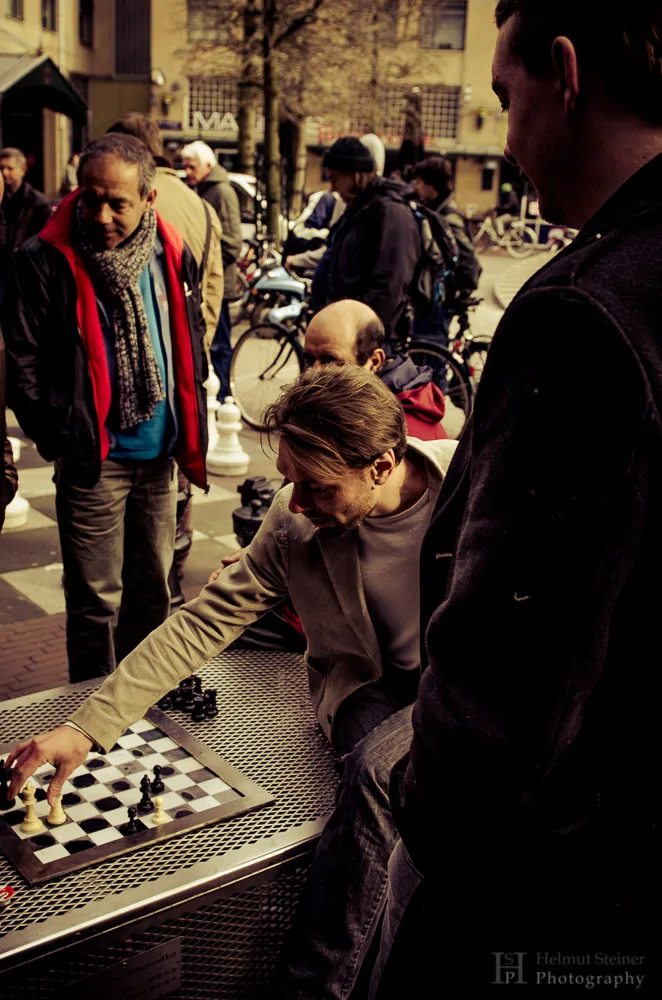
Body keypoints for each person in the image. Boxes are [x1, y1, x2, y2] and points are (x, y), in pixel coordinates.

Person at [370, 3, 661, 994]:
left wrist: (427, 816)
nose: (505, 137)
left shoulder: (585, 310)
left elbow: (508, 667)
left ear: (564, 74)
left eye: (503, 97)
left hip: (555, 883)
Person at [3, 365, 456, 1000]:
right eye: (290, 481)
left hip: (467, 684)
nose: (296, 504)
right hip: (373, 687)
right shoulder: (294, 518)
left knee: (381, 776)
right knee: (377, 783)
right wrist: (87, 726)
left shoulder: (471, 486)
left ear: (382, 465)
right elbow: (200, 625)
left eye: (317, 488)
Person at [1, 133, 208, 683]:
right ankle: (86, 717)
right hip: (96, 459)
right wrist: (63, 434)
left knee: (153, 591)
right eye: (91, 198)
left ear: (148, 198)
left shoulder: (171, 250)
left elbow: (189, 334)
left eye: (118, 202)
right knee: (96, 602)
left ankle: (138, 707)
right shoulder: (44, 259)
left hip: (159, 456)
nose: (101, 214)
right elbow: (20, 364)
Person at [106, 115, 225, 601]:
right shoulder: (199, 205)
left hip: (120, 411)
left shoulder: (147, 206)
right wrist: (189, 357)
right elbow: (212, 290)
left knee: (105, 578)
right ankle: (173, 586)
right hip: (179, 392)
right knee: (174, 506)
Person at [312, 136, 421, 342]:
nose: (332, 188)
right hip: (343, 333)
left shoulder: (390, 212)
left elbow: (389, 286)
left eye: (335, 178)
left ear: (355, 175)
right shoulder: (358, 208)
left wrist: (360, 337)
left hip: (360, 340)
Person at [303, 300, 447, 440]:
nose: (314, 373)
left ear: (375, 361)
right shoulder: (348, 402)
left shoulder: (397, 436)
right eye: (309, 360)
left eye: (331, 362)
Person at [181, 141, 242, 399]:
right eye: (184, 166)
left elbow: (231, 243)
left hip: (219, 285)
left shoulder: (221, 193)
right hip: (210, 282)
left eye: (191, 166)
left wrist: (207, 265)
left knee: (218, 346)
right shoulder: (206, 190)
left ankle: (223, 397)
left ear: (208, 165)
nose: (187, 171)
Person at [411, 155, 482, 312]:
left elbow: (468, 258)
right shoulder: (434, 210)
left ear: (432, 185)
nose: (416, 186)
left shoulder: (448, 217)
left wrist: (461, 293)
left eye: (420, 181)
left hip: (441, 301)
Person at [0, 147, 51, 298]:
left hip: (26, 272)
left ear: (22, 170)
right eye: (1, 168)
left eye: (10, 168)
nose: (4, 172)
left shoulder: (38, 203)